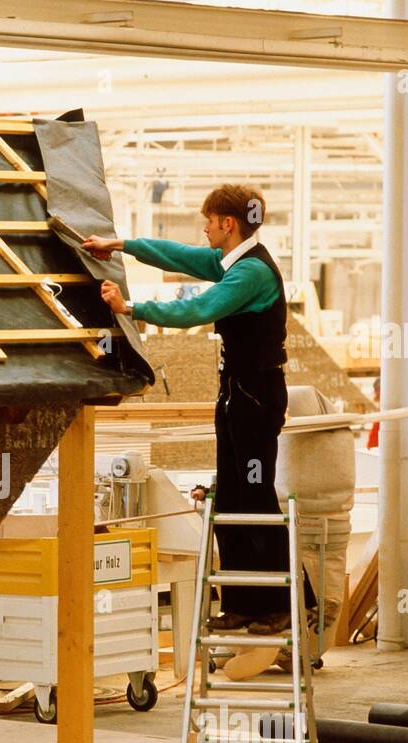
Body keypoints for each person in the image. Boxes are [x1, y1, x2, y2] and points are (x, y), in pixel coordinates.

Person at [83, 184, 315, 635]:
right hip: (236, 393)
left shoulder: (252, 273)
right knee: (229, 494)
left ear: (228, 224)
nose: (203, 229)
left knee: (255, 496)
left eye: (208, 221)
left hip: (257, 395)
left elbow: (201, 308)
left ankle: (286, 603)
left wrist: (130, 306)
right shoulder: (230, 261)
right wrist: (121, 245)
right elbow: (179, 256)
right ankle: (245, 603)